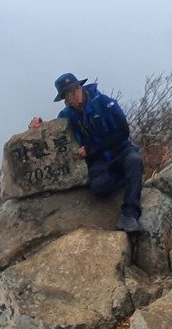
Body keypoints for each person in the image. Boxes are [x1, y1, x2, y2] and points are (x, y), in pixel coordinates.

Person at [29, 72, 143, 233]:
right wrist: (39, 126)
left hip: (121, 151)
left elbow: (123, 132)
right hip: (99, 162)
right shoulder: (67, 115)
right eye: (66, 95)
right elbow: (56, 132)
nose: (69, 98)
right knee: (99, 188)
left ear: (78, 89)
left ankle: (130, 215)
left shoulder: (104, 103)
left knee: (134, 161)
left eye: (71, 92)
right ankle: (129, 178)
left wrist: (92, 148)